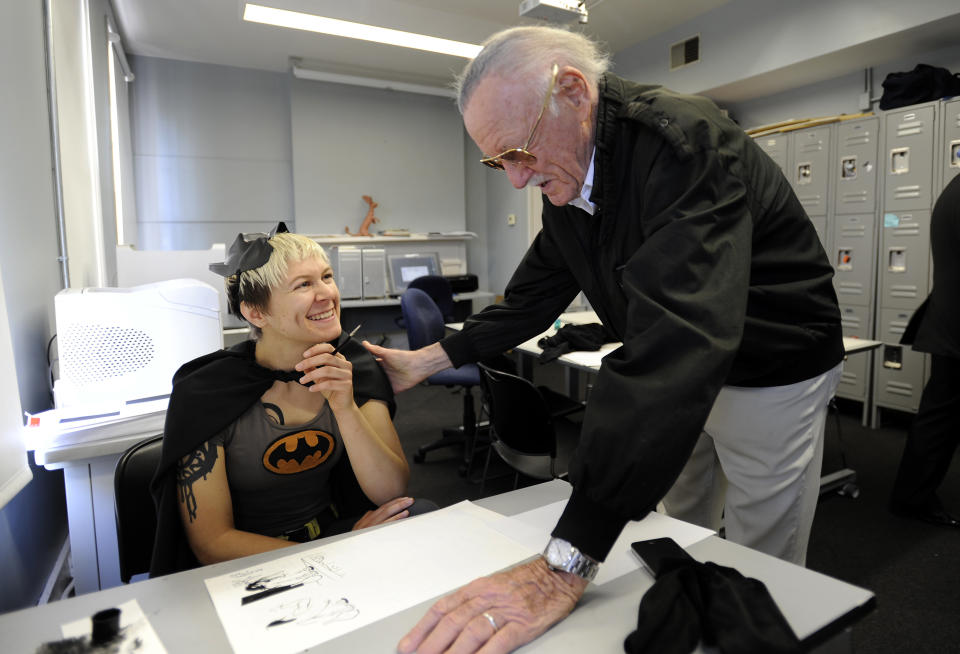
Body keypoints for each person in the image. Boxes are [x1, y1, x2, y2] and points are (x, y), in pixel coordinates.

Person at [357, 25, 844, 653]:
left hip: (773, 366)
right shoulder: (570, 171)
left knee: (761, 555)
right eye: (497, 159)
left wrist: (565, 563)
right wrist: (425, 360)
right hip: (693, 371)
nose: (513, 178)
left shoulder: (683, 145)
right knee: (679, 522)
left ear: (572, 91)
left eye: (519, 153)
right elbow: (534, 296)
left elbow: (677, 342)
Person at [149, 224, 425, 575]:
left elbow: (390, 492)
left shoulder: (352, 365)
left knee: (418, 512)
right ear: (255, 313)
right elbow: (212, 543)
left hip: (335, 531)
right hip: (255, 560)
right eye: (303, 285)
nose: (326, 293)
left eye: (326, 277)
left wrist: (345, 407)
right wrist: (332, 553)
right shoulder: (207, 390)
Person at [889, 173, 960, 528]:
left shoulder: (953, 188)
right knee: (940, 416)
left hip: (948, 319)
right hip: (955, 324)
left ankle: (911, 496)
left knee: (940, 414)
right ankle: (912, 498)